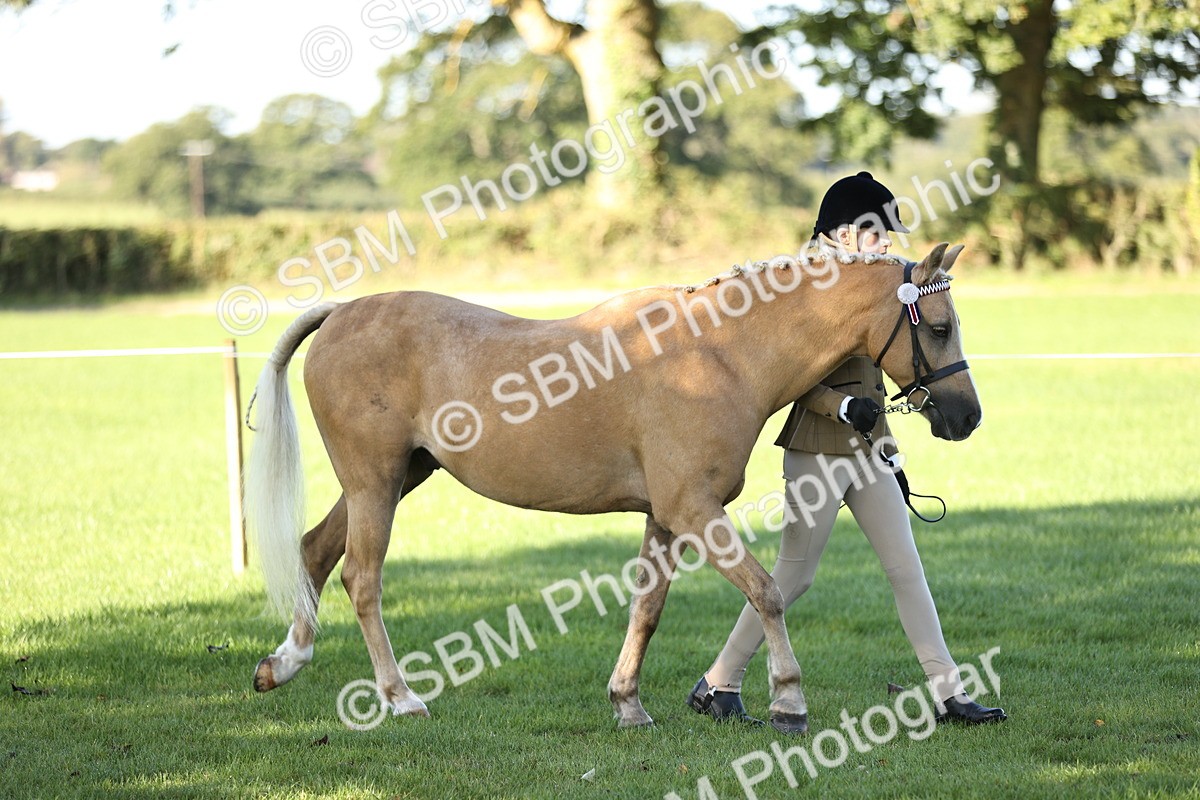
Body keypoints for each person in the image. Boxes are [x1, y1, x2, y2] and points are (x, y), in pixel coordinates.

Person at [687, 172, 1006, 733]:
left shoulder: (880, 284)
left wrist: (893, 440)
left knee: (906, 569)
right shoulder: (801, 289)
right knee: (795, 576)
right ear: (841, 233)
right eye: (875, 233)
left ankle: (949, 693)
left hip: (871, 446)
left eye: (887, 235)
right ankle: (718, 682)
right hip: (817, 448)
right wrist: (841, 407)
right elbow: (785, 378)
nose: (884, 244)